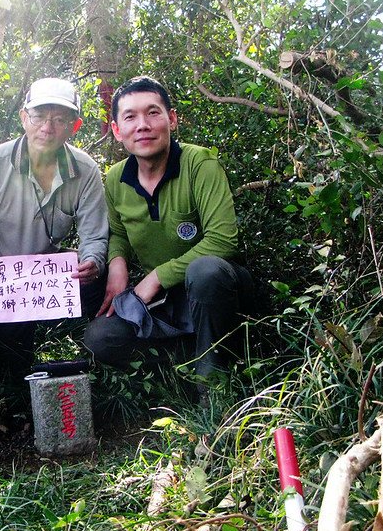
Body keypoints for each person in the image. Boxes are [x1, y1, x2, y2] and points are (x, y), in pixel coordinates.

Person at [84, 76, 255, 392]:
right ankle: (179, 366)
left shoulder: (198, 163)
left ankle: (213, 385)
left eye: (152, 113)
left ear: (171, 119)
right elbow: (119, 232)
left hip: (216, 291)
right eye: (130, 117)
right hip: (166, 302)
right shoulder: (115, 179)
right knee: (100, 338)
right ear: (117, 130)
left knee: (205, 271)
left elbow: (222, 240)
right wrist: (117, 263)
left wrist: (157, 277)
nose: (143, 125)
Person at [0, 78, 109, 379]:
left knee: (103, 281)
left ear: (75, 126)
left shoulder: (85, 169)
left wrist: (92, 261)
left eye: (59, 119)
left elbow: (94, 234)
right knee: (5, 360)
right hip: (1, 282)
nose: (47, 127)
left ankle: (97, 357)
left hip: (49, 278)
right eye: (39, 116)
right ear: (24, 118)